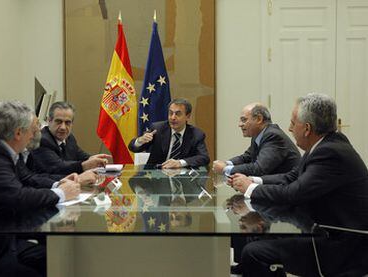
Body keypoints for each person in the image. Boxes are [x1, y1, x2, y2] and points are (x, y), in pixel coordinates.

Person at [229, 93, 368, 276]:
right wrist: (253, 180)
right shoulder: (325, 145)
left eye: (293, 123)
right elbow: (291, 177)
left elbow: (294, 193)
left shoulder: (329, 153)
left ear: (307, 128)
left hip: (341, 245)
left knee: (254, 251)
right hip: (322, 230)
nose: (289, 128)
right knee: (254, 237)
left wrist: (250, 188)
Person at [0, 101, 82, 276]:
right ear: (18, 132)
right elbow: (18, 196)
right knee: (47, 262)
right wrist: (61, 193)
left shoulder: (0, 148)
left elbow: (27, 179)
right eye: (33, 129)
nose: (35, 134)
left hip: (1, 235)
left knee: (54, 255)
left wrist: (58, 184)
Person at [212, 103, 300, 176]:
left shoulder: (273, 136)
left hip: (287, 192)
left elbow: (259, 169)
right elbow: (246, 157)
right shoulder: (259, 134)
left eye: (244, 120)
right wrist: (227, 163)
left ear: (259, 119)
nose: (240, 124)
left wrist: (225, 169)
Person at [32, 101, 111, 174]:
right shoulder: (42, 140)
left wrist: (94, 159)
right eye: (58, 121)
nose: (63, 127)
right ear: (49, 121)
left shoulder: (69, 138)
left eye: (67, 123)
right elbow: (59, 167)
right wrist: (85, 165)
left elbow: (82, 156)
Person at [128, 98, 210, 169]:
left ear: (187, 116)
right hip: (156, 179)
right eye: (171, 113)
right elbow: (133, 148)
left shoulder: (196, 134)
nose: (173, 117)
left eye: (178, 114)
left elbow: (204, 157)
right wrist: (140, 140)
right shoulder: (158, 129)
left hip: (183, 180)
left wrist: (180, 163)